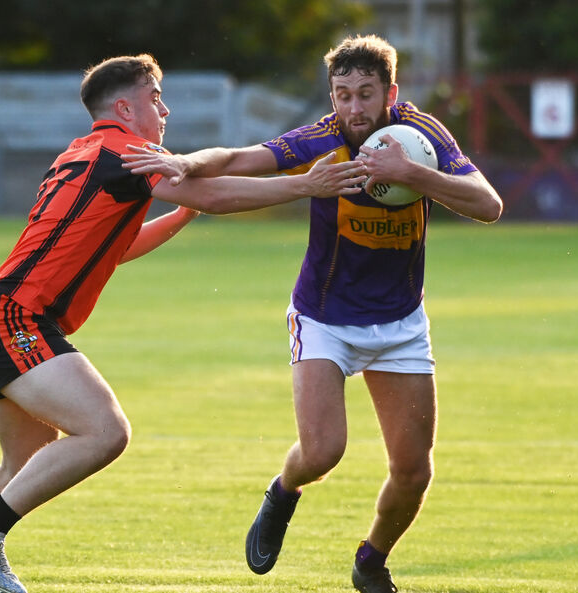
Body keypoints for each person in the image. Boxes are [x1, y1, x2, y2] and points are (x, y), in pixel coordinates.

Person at [0, 53, 366, 593]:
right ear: (126, 107)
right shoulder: (125, 152)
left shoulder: (84, 153)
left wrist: (181, 213)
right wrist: (304, 186)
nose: (165, 109)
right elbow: (217, 192)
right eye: (156, 98)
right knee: (106, 432)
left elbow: (116, 245)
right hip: (16, 317)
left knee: (24, 462)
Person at [121, 35, 503, 593]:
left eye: (365, 94)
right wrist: (185, 160)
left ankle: (371, 559)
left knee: (414, 472)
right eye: (342, 94)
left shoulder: (419, 136)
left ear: (390, 93)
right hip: (324, 317)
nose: (352, 109)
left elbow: (487, 204)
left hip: (399, 323)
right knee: (324, 452)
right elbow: (237, 158)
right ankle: (283, 490)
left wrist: (411, 174)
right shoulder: (322, 138)